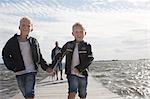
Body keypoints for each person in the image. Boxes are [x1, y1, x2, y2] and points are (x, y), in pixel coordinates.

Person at [2, 17, 53, 99]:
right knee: (26, 94)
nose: (26, 27)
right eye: (23, 25)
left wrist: (46, 68)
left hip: (31, 71)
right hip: (19, 72)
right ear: (19, 27)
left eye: (28, 26)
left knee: (29, 93)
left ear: (31, 28)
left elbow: (39, 57)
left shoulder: (34, 41)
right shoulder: (12, 41)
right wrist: (12, 66)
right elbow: (5, 55)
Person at [51, 22, 94, 99]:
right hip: (71, 73)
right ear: (72, 33)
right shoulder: (68, 45)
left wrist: (79, 68)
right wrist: (52, 68)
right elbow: (59, 56)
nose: (79, 34)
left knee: (83, 94)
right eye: (76, 32)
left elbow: (90, 59)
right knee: (72, 91)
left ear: (85, 33)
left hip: (83, 73)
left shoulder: (87, 46)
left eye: (81, 32)